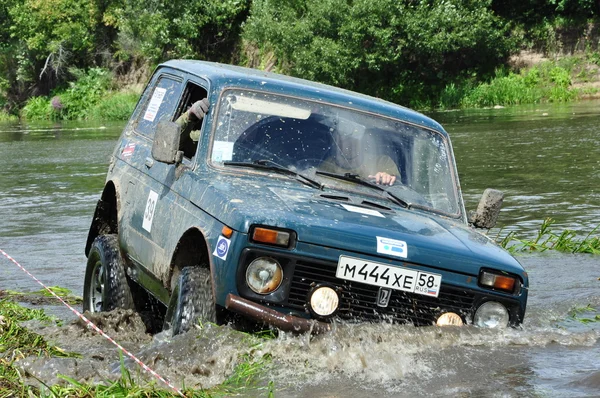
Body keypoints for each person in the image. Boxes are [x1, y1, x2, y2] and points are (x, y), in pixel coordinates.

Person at [318, 126, 399, 186]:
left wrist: (387, 178)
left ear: (363, 139)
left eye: (355, 136)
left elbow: (399, 188)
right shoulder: (328, 165)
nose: (350, 142)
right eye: (343, 137)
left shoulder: (382, 162)